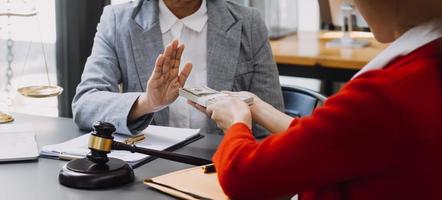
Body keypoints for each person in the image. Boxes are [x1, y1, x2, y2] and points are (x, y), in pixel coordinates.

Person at [194, 0, 442, 199]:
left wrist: (236, 123)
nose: (353, 6)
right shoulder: (421, 72)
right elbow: (336, 141)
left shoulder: (381, 95)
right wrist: (257, 106)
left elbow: (243, 177)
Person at [72, 0, 283, 136]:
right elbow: (85, 104)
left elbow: (272, 128)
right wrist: (147, 102)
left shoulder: (248, 23)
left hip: (223, 168)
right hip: (147, 170)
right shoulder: (118, 20)